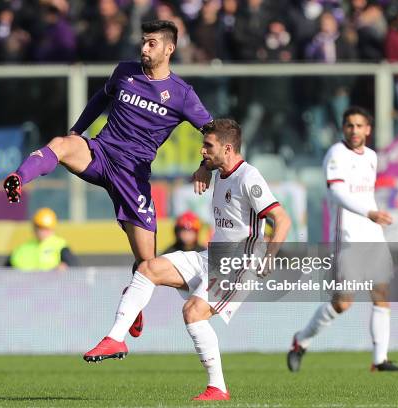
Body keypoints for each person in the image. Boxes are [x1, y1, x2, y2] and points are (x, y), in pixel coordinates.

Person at [3, 20, 213, 338]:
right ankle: (19, 178)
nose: (144, 48)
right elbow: (101, 99)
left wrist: (204, 166)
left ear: (169, 49)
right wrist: (77, 130)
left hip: (133, 176)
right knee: (61, 144)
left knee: (147, 263)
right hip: (100, 154)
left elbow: (214, 131)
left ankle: (134, 305)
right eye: (143, 41)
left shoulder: (182, 95)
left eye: (152, 43)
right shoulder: (124, 72)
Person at [83, 119, 291, 400]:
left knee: (194, 312)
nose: (202, 150)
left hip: (239, 264)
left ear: (227, 148)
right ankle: (116, 339)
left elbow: (282, 219)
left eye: (208, 146)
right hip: (212, 257)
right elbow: (211, 164)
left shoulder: (248, 177)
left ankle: (217, 387)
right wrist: (204, 168)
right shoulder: (220, 168)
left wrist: (269, 256)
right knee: (148, 268)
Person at [287, 106, 398, 372]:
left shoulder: (372, 157)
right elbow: (338, 192)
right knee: (343, 303)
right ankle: (301, 340)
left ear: (368, 129)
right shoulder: (336, 154)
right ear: (344, 128)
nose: (354, 130)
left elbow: (364, 194)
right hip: (348, 237)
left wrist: (373, 217)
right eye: (349, 125)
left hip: (372, 235)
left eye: (359, 125)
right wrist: (370, 212)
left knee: (382, 293)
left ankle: (380, 360)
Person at [8, 207, 78, 271]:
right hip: (27, 283)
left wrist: (64, 267)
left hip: (52, 283)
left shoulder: (60, 246)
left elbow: (74, 267)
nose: (42, 232)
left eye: (46, 228)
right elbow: (5, 270)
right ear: (34, 228)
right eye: (40, 227)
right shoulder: (22, 248)